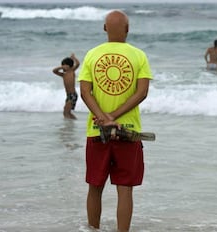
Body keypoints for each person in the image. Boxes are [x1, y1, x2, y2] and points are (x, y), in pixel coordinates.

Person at [78, 10, 152, 232]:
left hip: (96, 130)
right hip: (128, 133)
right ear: (128, 29)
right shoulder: (139, 55)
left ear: (104, 29)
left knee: (95, 186)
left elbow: (84, 92)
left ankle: (93, 229)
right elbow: (142, 92)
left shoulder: (92, 54)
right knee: (125, 189)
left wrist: (103, 117)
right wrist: (115, 116)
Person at [52, 54, 80, 119]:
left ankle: (71, 124)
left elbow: (78, 64)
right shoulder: (63, 75)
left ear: (69, 66)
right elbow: (54, 71)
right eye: (62, 65)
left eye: (64, 65)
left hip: (73, 95)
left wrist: (74, 58)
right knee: (67, 112)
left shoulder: (72, 71)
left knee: (66, 112)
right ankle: (71, 123)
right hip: (68, 96)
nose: (63, 67)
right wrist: (61, 67)